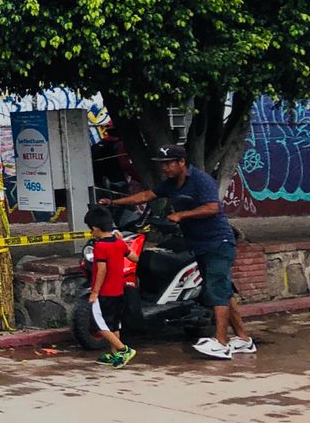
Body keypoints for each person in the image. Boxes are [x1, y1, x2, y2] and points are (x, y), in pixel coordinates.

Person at [110, 144, 254, 359]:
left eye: (168, 164)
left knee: (216, 290)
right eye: (162, 165)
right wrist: (113, 202)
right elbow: (147, 195)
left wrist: (181, 215)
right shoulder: (171, 184)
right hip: (199, 244)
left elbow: (212, 208)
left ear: (182, 162)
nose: (165, 168)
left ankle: (221, 342)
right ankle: (243, 339)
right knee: (222, 291)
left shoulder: (201, 180)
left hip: (218, 242)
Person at [84, 205, 138, 368]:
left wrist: (94, 292)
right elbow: (134, 258)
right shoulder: (119, 244)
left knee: (100, 326)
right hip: (118, 291)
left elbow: (101, 270)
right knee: (113, 325)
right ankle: (116, 355)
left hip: (105, 293)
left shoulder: (101, 246)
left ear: (95, 228)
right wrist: (122, 242)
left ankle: (123, 350)